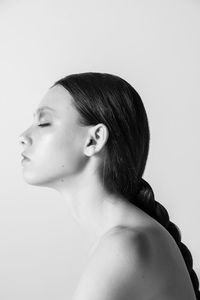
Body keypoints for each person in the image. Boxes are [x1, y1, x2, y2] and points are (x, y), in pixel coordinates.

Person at [19, 72, 200, 300]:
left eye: (44, 123)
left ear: (93, 140)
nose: (23, 136)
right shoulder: (129, 238)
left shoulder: (123, 245)